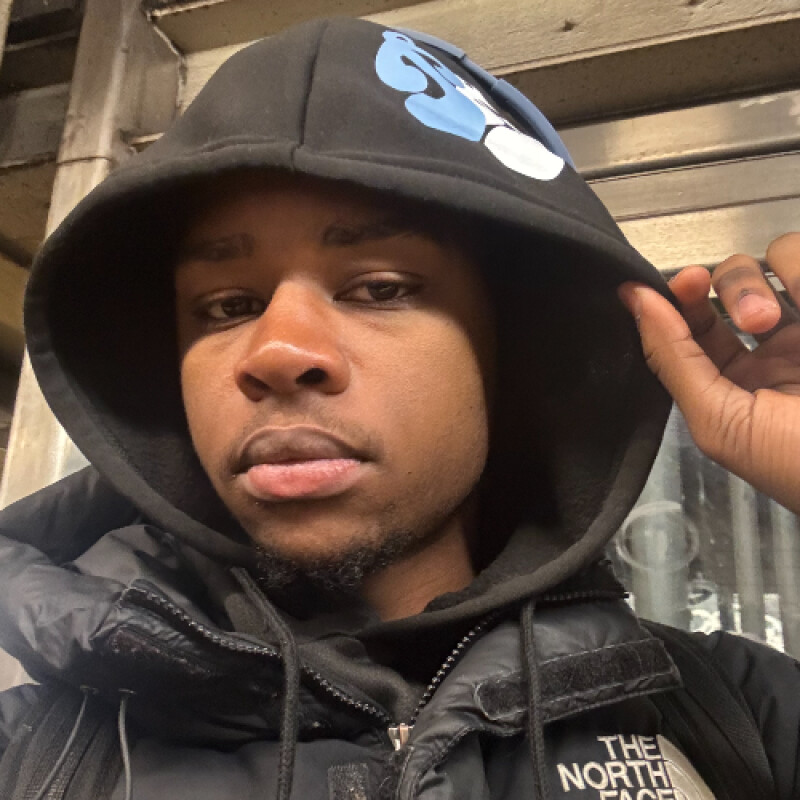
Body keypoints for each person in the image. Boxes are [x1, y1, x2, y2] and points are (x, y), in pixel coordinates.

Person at [0, 16, 797, 800]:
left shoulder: (742, 720)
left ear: (514, 351)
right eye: (227, 306)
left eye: (379, 288)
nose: (276, 351)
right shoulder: (31, 757)